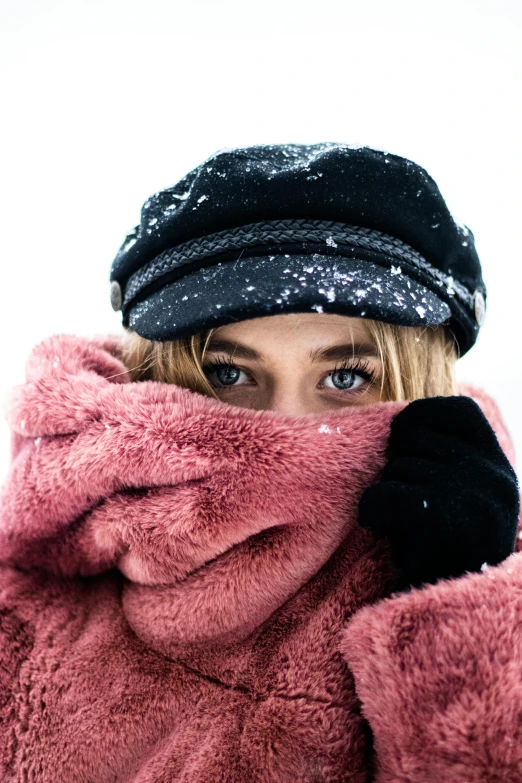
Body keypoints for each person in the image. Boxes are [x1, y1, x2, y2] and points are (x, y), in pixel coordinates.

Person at [0, 143, 521, 782]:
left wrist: (463, 610)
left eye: (348, 374)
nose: (286, 424)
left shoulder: (498, 592)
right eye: (228, 372)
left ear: (422, 379)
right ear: (158, 373)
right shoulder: (23, 612)